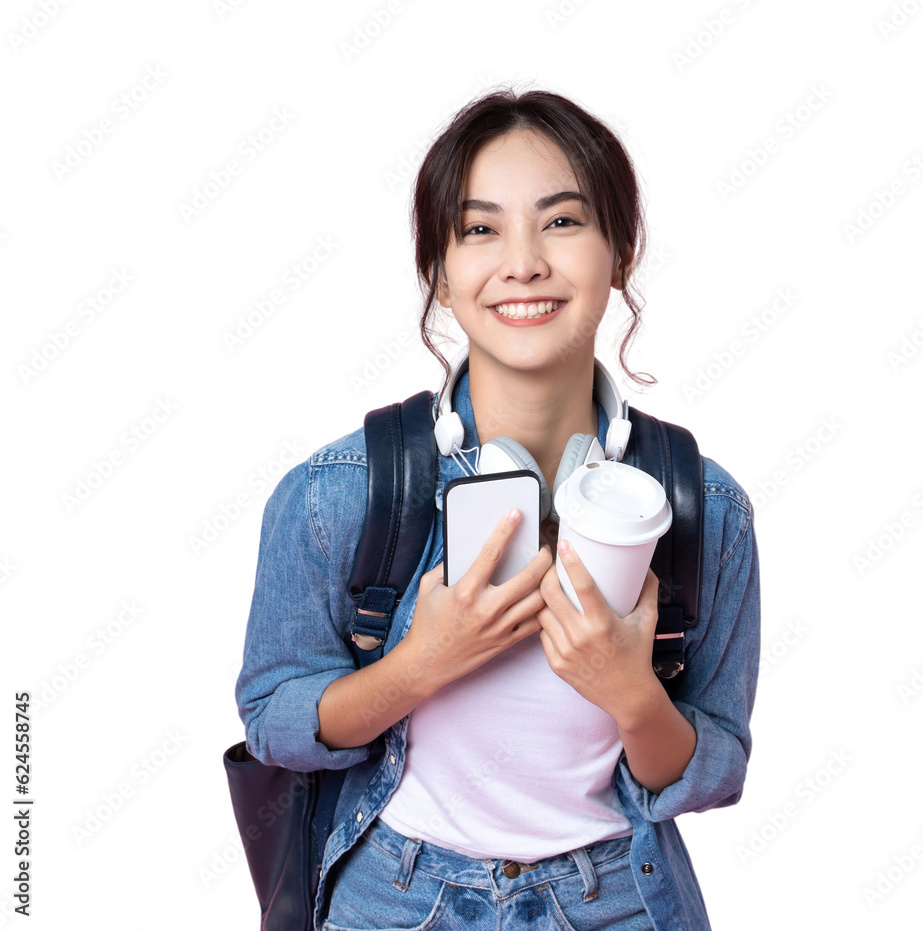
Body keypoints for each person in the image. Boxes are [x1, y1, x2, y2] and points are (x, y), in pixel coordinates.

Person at [236, 87, 760, 931]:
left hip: (617, 897)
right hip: (393, 897)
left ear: (620, 250)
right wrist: (422, 662)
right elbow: (274, 724)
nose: (523, 262)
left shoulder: (705, 508)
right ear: (439, 272)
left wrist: (632, 694)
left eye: (562, 221)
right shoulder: (341, 491)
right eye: (481, 228)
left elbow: (717, 767)